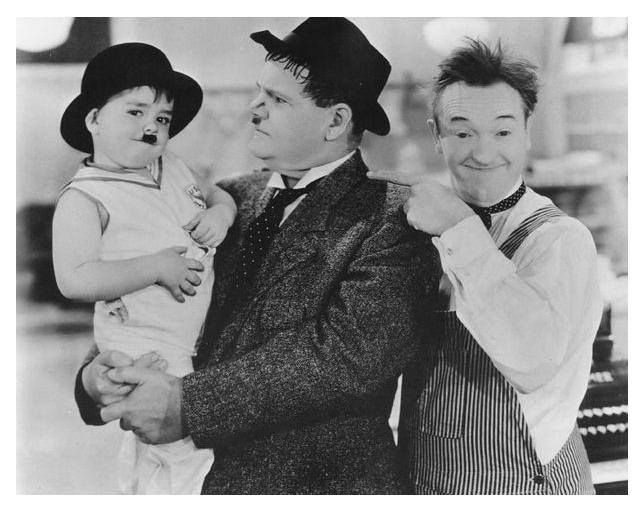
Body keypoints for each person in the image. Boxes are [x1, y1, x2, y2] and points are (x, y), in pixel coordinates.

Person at [73, 18, 434, 494]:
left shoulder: (393, 218)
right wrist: (96, 376)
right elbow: (150, 297)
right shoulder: (229, 197)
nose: (254, 108)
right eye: (259, 91)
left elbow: (345, 359)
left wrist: (188, 405)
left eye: (277, 100)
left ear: (336, 121)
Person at [370, 39, 603, 494]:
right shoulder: (422, 224)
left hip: (523, 484)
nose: (482, 152)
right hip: (428, 478)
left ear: (527, 132)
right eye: (462, 133)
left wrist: (458, 227)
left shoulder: (560, 239)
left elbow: (532, 361)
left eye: (502, 132)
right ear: (436, 136)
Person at [53, 42, 237, 494]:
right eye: (135, 112)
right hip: (142, 340)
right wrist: (154, 267)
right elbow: (74, 279)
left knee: (170, 456)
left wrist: (221, 214)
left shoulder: (170, 166)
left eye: (163, 119)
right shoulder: (86, 196)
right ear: (94, 120)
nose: (152, 127)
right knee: (187, 456)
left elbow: (217, 194)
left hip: (187, 337)